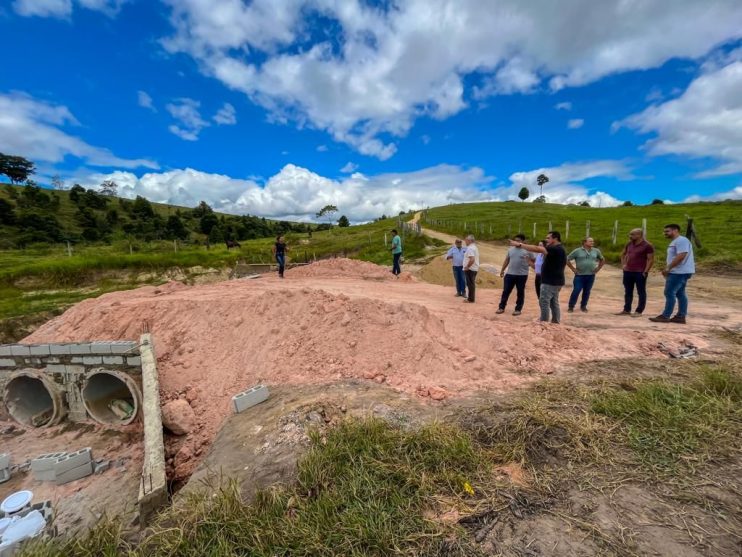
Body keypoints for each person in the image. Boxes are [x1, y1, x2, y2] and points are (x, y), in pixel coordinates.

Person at [512, 231, 566, 323]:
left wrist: (520, 244)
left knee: (544, 302)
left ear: (555, 238)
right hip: (556, 280)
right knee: (553, 303)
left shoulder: (554, 248)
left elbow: (537, 248)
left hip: (550, 281)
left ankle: (543, 322)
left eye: (548, 238)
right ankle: (555, 322)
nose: (546, 240)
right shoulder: (560, 249)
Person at [649, 224, 695, 324]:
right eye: (664, 231)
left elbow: (681, 255)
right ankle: (680, 316)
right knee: (680, 293)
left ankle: (665, 316)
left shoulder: (681, 240)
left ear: (675, 230)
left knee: (669, 292)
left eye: (667, 231)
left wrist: (668, 268)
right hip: (681, 271)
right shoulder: (677, 241)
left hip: (678, 272)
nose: (665, 233)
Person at [618, 228, 654, 317]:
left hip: (640, 272)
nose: (630, 236)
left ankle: (639, 311)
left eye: (633, 234)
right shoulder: (629, 244)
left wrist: (646, 271)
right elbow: (623, 254)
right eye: (630, 234)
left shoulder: (647, 245)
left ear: (639, 235)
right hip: (628, 271)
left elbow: (650, 259)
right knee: (628, 291)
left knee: (641, 291)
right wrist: (623, 265)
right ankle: (626, 310)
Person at [497, 234, 534, 316]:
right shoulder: (510, 249)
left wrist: (529, 263)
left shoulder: (527, 250)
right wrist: (502, 270)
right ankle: (501, 307)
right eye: (515, 240)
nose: (516, 242)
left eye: (518, 240)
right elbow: (507, 260)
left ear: (522, 241)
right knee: (506, 291)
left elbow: (534, 260)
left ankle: (518, 309)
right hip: (510, 274)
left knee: (520, 292)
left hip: (522, 275)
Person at [566, 237, 605, 313]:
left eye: (593, 241)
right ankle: (571, 306)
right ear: (584, 242)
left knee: (587, 291)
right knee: (576, 290)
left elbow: (602, 259)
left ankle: (583, 306)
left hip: (591, 275)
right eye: (590, 241)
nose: (592, 243)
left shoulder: (596, 251)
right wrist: (573, 269)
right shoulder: (577, 251)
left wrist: (598, 268)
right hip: (579, 275)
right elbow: (567, 259)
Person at [462, 235, 479, 303]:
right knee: (471, 284)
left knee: (470, 284)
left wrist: (467, 267)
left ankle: (471, 299)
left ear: (469, 240)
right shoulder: (474, 247)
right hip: (473, 268)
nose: (465, 241)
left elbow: (472, 259)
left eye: (466, 240)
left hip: (470, 269)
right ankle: (471, 298)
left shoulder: (470, 248)